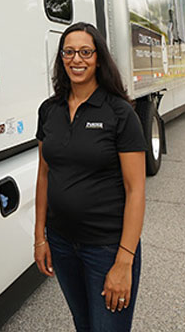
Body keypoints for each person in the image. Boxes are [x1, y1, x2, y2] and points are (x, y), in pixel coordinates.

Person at [33, 22, 146, 332]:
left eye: (85, 52)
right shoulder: (49, 110)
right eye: (68, 52)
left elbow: (135, 190)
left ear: (98, 58)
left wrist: (124, 261)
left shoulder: (120, 113)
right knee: (84, 326)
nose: (76, 59)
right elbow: (44, 174)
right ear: (61, 58)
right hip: (62, 242)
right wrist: (40, 237)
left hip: (107, 247)